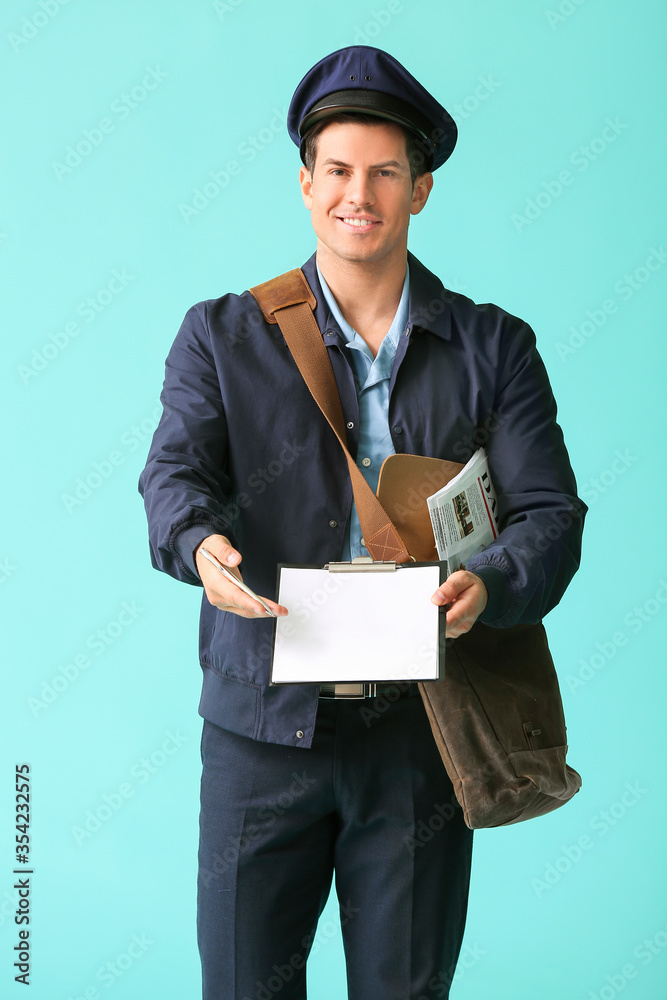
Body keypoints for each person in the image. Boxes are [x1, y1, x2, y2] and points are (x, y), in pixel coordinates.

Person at [139, 45, 586, 1000]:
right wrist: (199, 545)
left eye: (386, 172)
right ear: (306, 185)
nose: (360, 193)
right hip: (260, 737)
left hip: (421, 736)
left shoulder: (493, 345)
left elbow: (550, 514)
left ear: (419, 190)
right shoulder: (220, 335)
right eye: (337, 170)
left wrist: (493, 583)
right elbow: (172, 475)